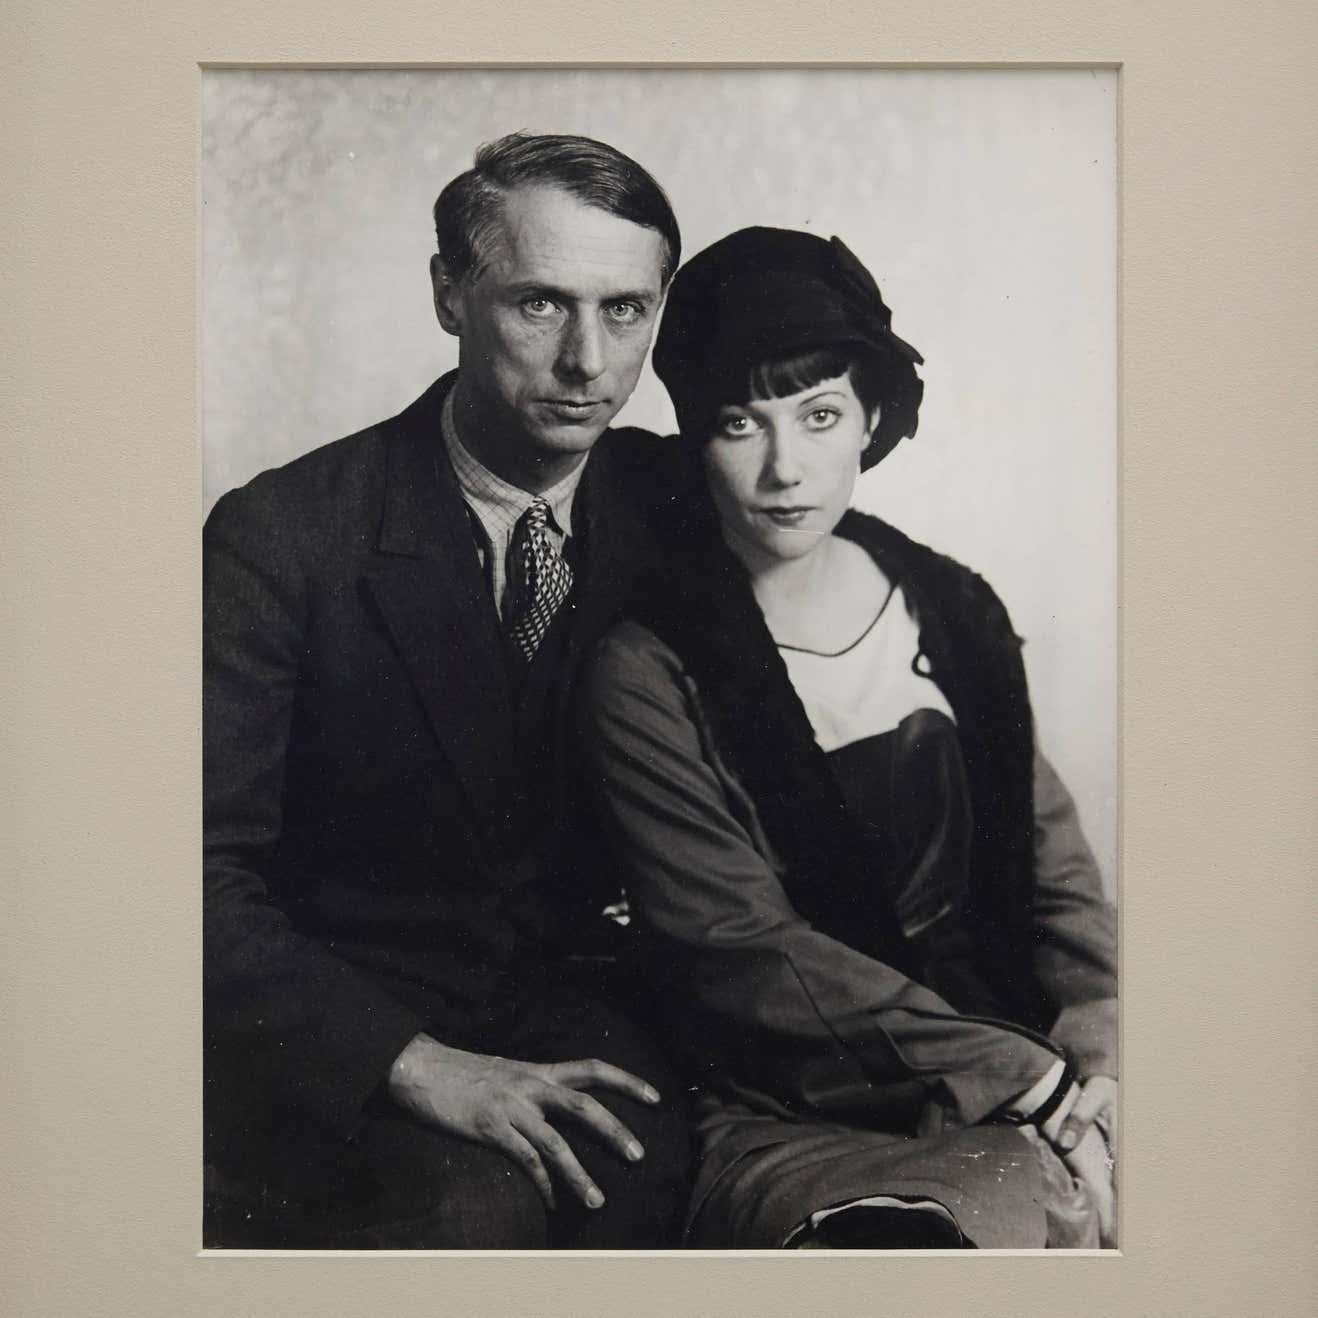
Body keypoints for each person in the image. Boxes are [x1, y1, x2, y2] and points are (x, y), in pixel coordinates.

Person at [579, 226, 1118, 1249]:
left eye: (819, 416)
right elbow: (736, 949)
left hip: (1032, 1054)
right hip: (809, 1109)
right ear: (694, 436)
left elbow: (1058, 879)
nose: (784, 467)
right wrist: (1026, 1082)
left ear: (870, 417)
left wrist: (1098, 1046)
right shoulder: (645, 670)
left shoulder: (950, 608)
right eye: (740, 423)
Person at [203, 132, 691, 1248]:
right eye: (538, 304)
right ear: (447, 295)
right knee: (470, 1216)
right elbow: (188, 874)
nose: (586, 361)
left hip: (573, 1004)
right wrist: (408, 1065)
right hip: (345, 1028)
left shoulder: (670, 503)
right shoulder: (283, 536)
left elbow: (876, 576)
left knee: (647, 1178)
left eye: (625, 310)